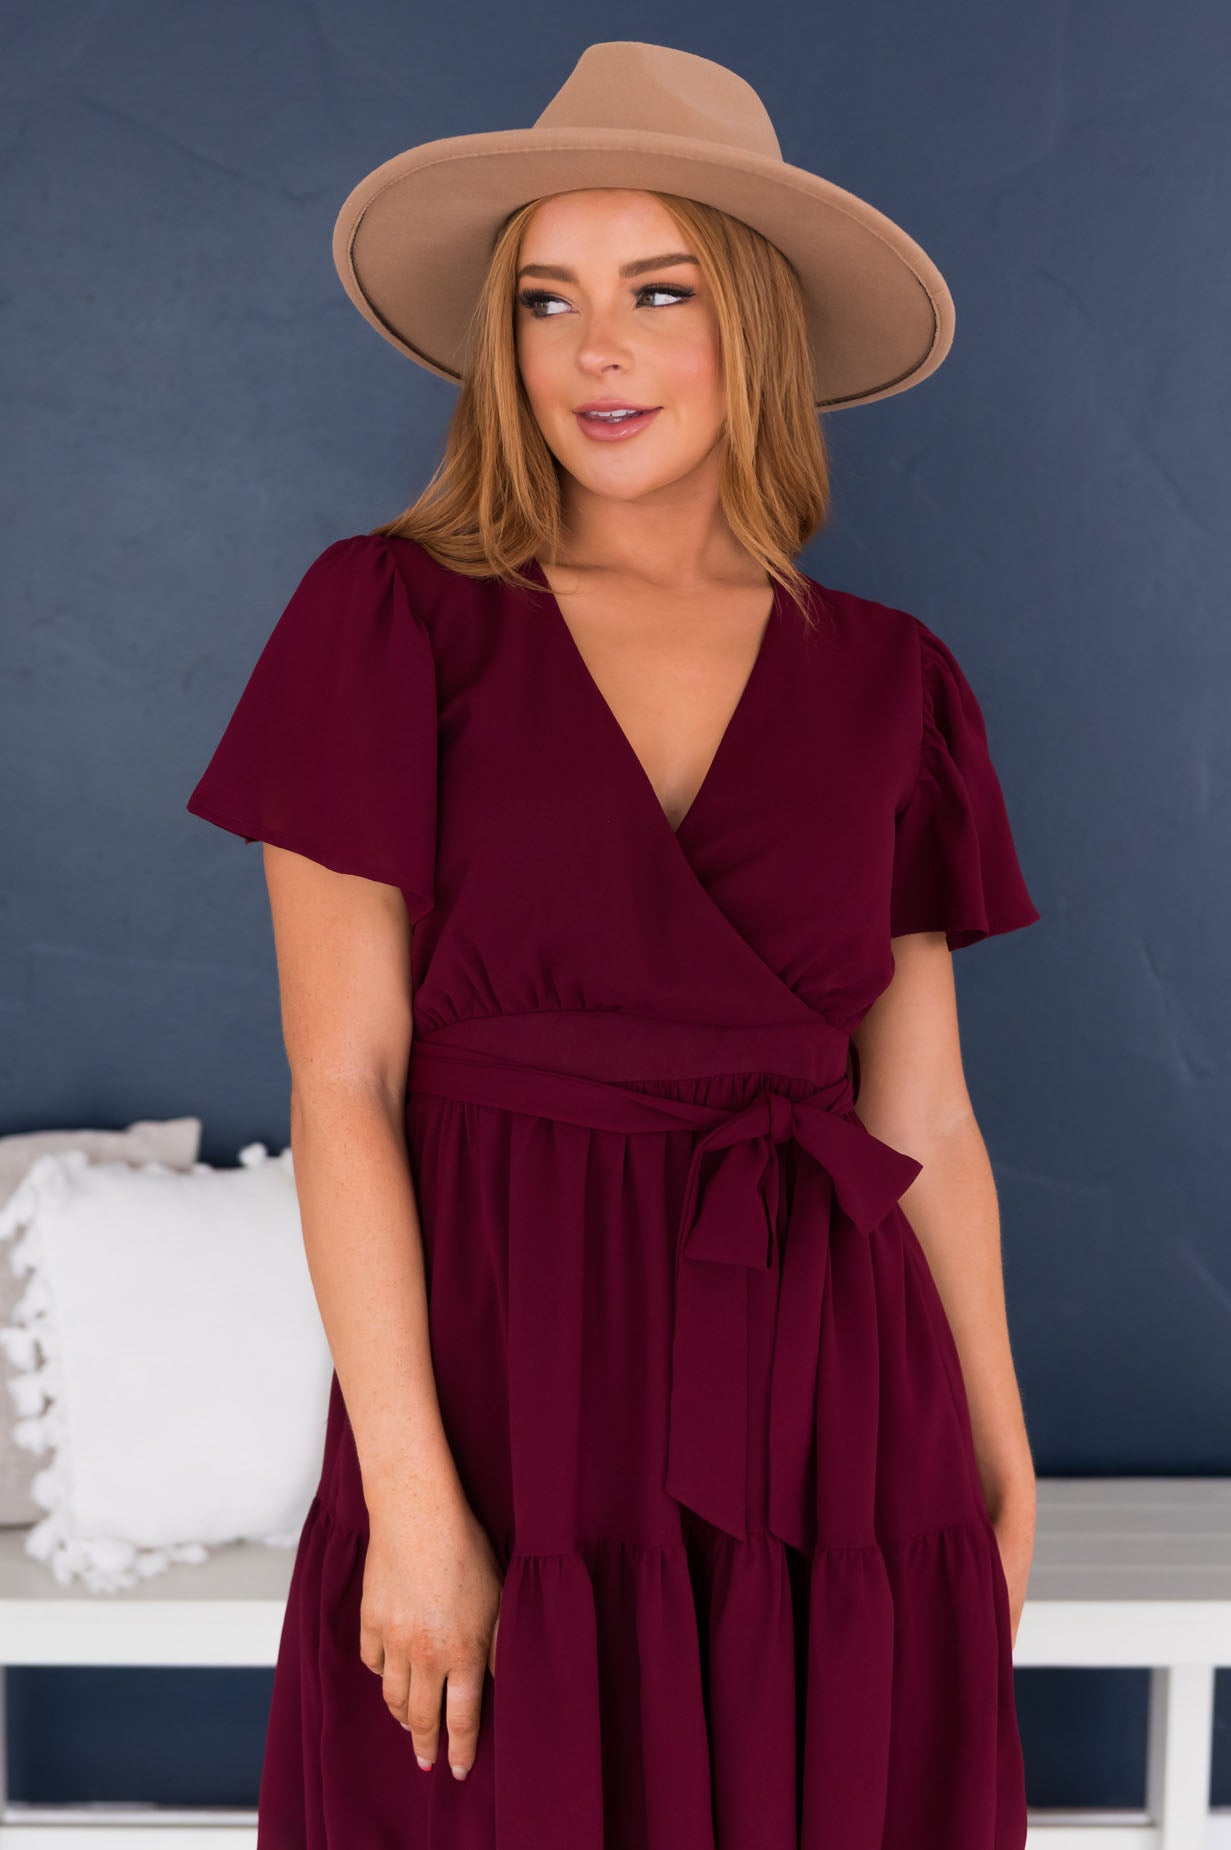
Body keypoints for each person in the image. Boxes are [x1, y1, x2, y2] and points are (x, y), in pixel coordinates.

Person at [186, 41, 1042, 1850]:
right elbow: (343, 1086)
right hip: (510, 1390)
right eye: (546, 300)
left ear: (753, 329)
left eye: (659, 293)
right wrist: (413, 1495)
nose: (595, 351)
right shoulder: (384, 619)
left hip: (832, 1412)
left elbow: (929, 1119)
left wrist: (999, 1446)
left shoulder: (893, 681)